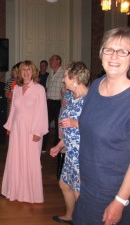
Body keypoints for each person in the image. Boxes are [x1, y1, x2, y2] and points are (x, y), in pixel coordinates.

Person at [73, 27, 130, 225]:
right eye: (109, 49)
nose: (114, 56)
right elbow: (87, 132)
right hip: (88, 185)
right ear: (101, 53)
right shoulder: (96, 86)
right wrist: (82, 171)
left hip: (114, 192)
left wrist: (120, 201)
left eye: (123, 51)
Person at [1, 60, 48, 203]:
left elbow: (42, 112)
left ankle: (30, 194)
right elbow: (13, 110)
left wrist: (38, 132)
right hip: (17, 130)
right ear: (20, 72)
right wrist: (9, 126)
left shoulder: (39, 89)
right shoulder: (16, 88)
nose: (26, 72)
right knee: (15, 159)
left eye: (29, 70)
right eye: (23, 70)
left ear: (33, 72)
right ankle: (14, 191)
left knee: (30, 161)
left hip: (32, 130)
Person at [50, 61, 90, 224]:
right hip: (70, 151)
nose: (63, 80)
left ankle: (81, 220)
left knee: (78, 190)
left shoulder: (90, 99)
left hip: (83, 153)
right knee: (65, 184)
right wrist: (60, 145)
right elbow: (68, 127)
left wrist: (76, 123)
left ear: (75, 78)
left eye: (65, 76)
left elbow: (99, 125)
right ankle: (70, 215)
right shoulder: (72, 98)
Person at [42, 55, 65, 150]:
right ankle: (43, 146)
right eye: (50, 59)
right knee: (44, 124)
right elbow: (47, 88)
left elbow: (65, 90)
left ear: (58, 61)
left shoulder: (64, 73)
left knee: (57, 126)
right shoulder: (50, 73)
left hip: (59, 103)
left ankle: (57, 146)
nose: (50, 61)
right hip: (49, 102)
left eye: (52, 60)